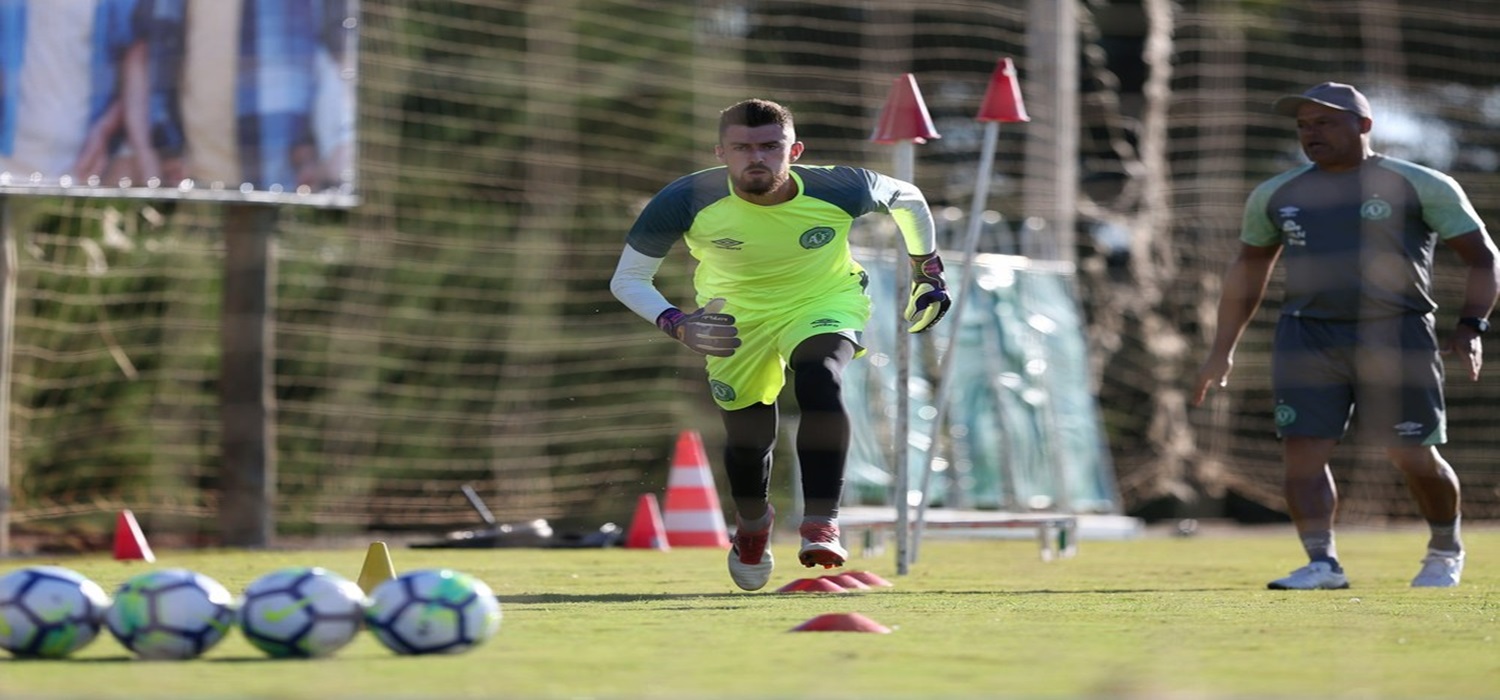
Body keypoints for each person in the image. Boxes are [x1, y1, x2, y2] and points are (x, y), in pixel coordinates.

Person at [610, 98, 950, 591]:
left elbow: (909, 198)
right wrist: (677, 322)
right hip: (732, 317)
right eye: (742, 148)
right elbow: (628, 279)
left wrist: (927, 270)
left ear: (795, 151)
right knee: (749, 443)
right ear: (721, 152)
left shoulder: (842, 186)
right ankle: (752, 526)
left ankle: (821, 522)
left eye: (771, 146)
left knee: (820, 377)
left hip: (821, 300)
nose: (756, 158)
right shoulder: (685, 198)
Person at [1192, 82, 1499, 590]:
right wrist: (1220, 351)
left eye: (1326, 122)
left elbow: (1482, 257)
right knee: (1303, 452)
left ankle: (1445, 550)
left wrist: (1472, 325)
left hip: (1396, 334)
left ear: (1364, 126)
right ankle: (1322, 564)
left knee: (1410, 455)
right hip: (1306, 336)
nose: (1312, 133)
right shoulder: (1277, 193)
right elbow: (1247, 272)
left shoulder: (1420, 183)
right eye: (1304, 125)